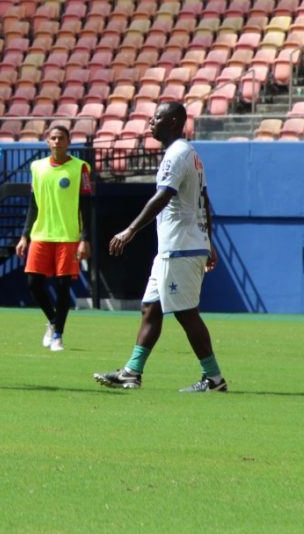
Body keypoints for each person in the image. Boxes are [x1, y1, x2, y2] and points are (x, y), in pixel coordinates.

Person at [94, 101, 228, 392]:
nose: (150, 123)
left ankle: (214, 378)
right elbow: (204, 200)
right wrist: (209, 240)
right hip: (175, 247)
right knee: (150, 309)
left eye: (157, 118)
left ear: (173, 121)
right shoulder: (189, 154)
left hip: (180, 247)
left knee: (185, 312)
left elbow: (162, 197)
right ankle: (132, 372)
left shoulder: (177, 154)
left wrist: (130, 230)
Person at [15, 125, 92, 352]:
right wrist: (24, 236)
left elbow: (86, 206)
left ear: (68, 142)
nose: (57, 142)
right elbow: (33, 204)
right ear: (48, 142)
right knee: (33, 283)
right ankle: (52, 320)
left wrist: (84, 238)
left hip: (68, 236)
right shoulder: (37, 167)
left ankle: (58, 334)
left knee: (62, 286)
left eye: (61, 138)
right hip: (41, 234)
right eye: (53, 138)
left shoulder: (81, 168)